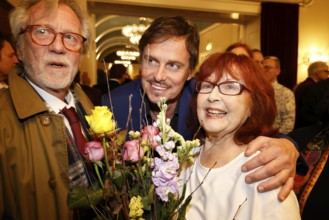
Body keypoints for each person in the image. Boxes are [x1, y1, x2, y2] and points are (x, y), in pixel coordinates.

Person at [102, 16, 303, 201]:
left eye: (173, 65)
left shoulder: (204, 99)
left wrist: (288, 146)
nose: (159, 75)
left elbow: (249, 129)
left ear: (190, 72)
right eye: (152, 61)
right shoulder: (115, 104)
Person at [0, 0, 96, 219]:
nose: (58, 47)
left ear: (80, 53)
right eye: (43, 32)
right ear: (20, 48)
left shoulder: (89, 107)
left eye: (71, 37)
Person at [179, 52, 300, 219]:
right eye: (207, 85)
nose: (212, 96)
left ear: (254, 104)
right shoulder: (183, 161)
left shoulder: (265, 176)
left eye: (230, 86)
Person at [262, 56, 296, 134]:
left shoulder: (286, 93)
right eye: (261, 67)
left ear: (277, 71)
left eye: (267, 68)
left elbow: (288, 125)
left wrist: (270, 138)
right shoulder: (254, 91)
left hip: (274, 139)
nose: (262, 71)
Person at [294, 61, 329, 129]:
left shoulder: (303, 85)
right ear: (319, 72)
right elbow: (306, 111)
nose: (328, 74)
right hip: (307, 127)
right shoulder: (311, 87)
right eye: (326, 71)